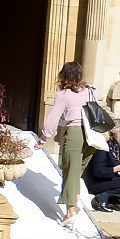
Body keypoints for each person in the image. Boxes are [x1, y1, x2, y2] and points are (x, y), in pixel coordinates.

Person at [42, 63, 98, 226]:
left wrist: (44, 137)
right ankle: (76, 197)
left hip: (75, 133)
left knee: (70, 171)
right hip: (92, 134)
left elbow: (53, 119)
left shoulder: (63, 95)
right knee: (76, 170)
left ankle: (70, 211)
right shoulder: (91, 90)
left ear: (64, 75)